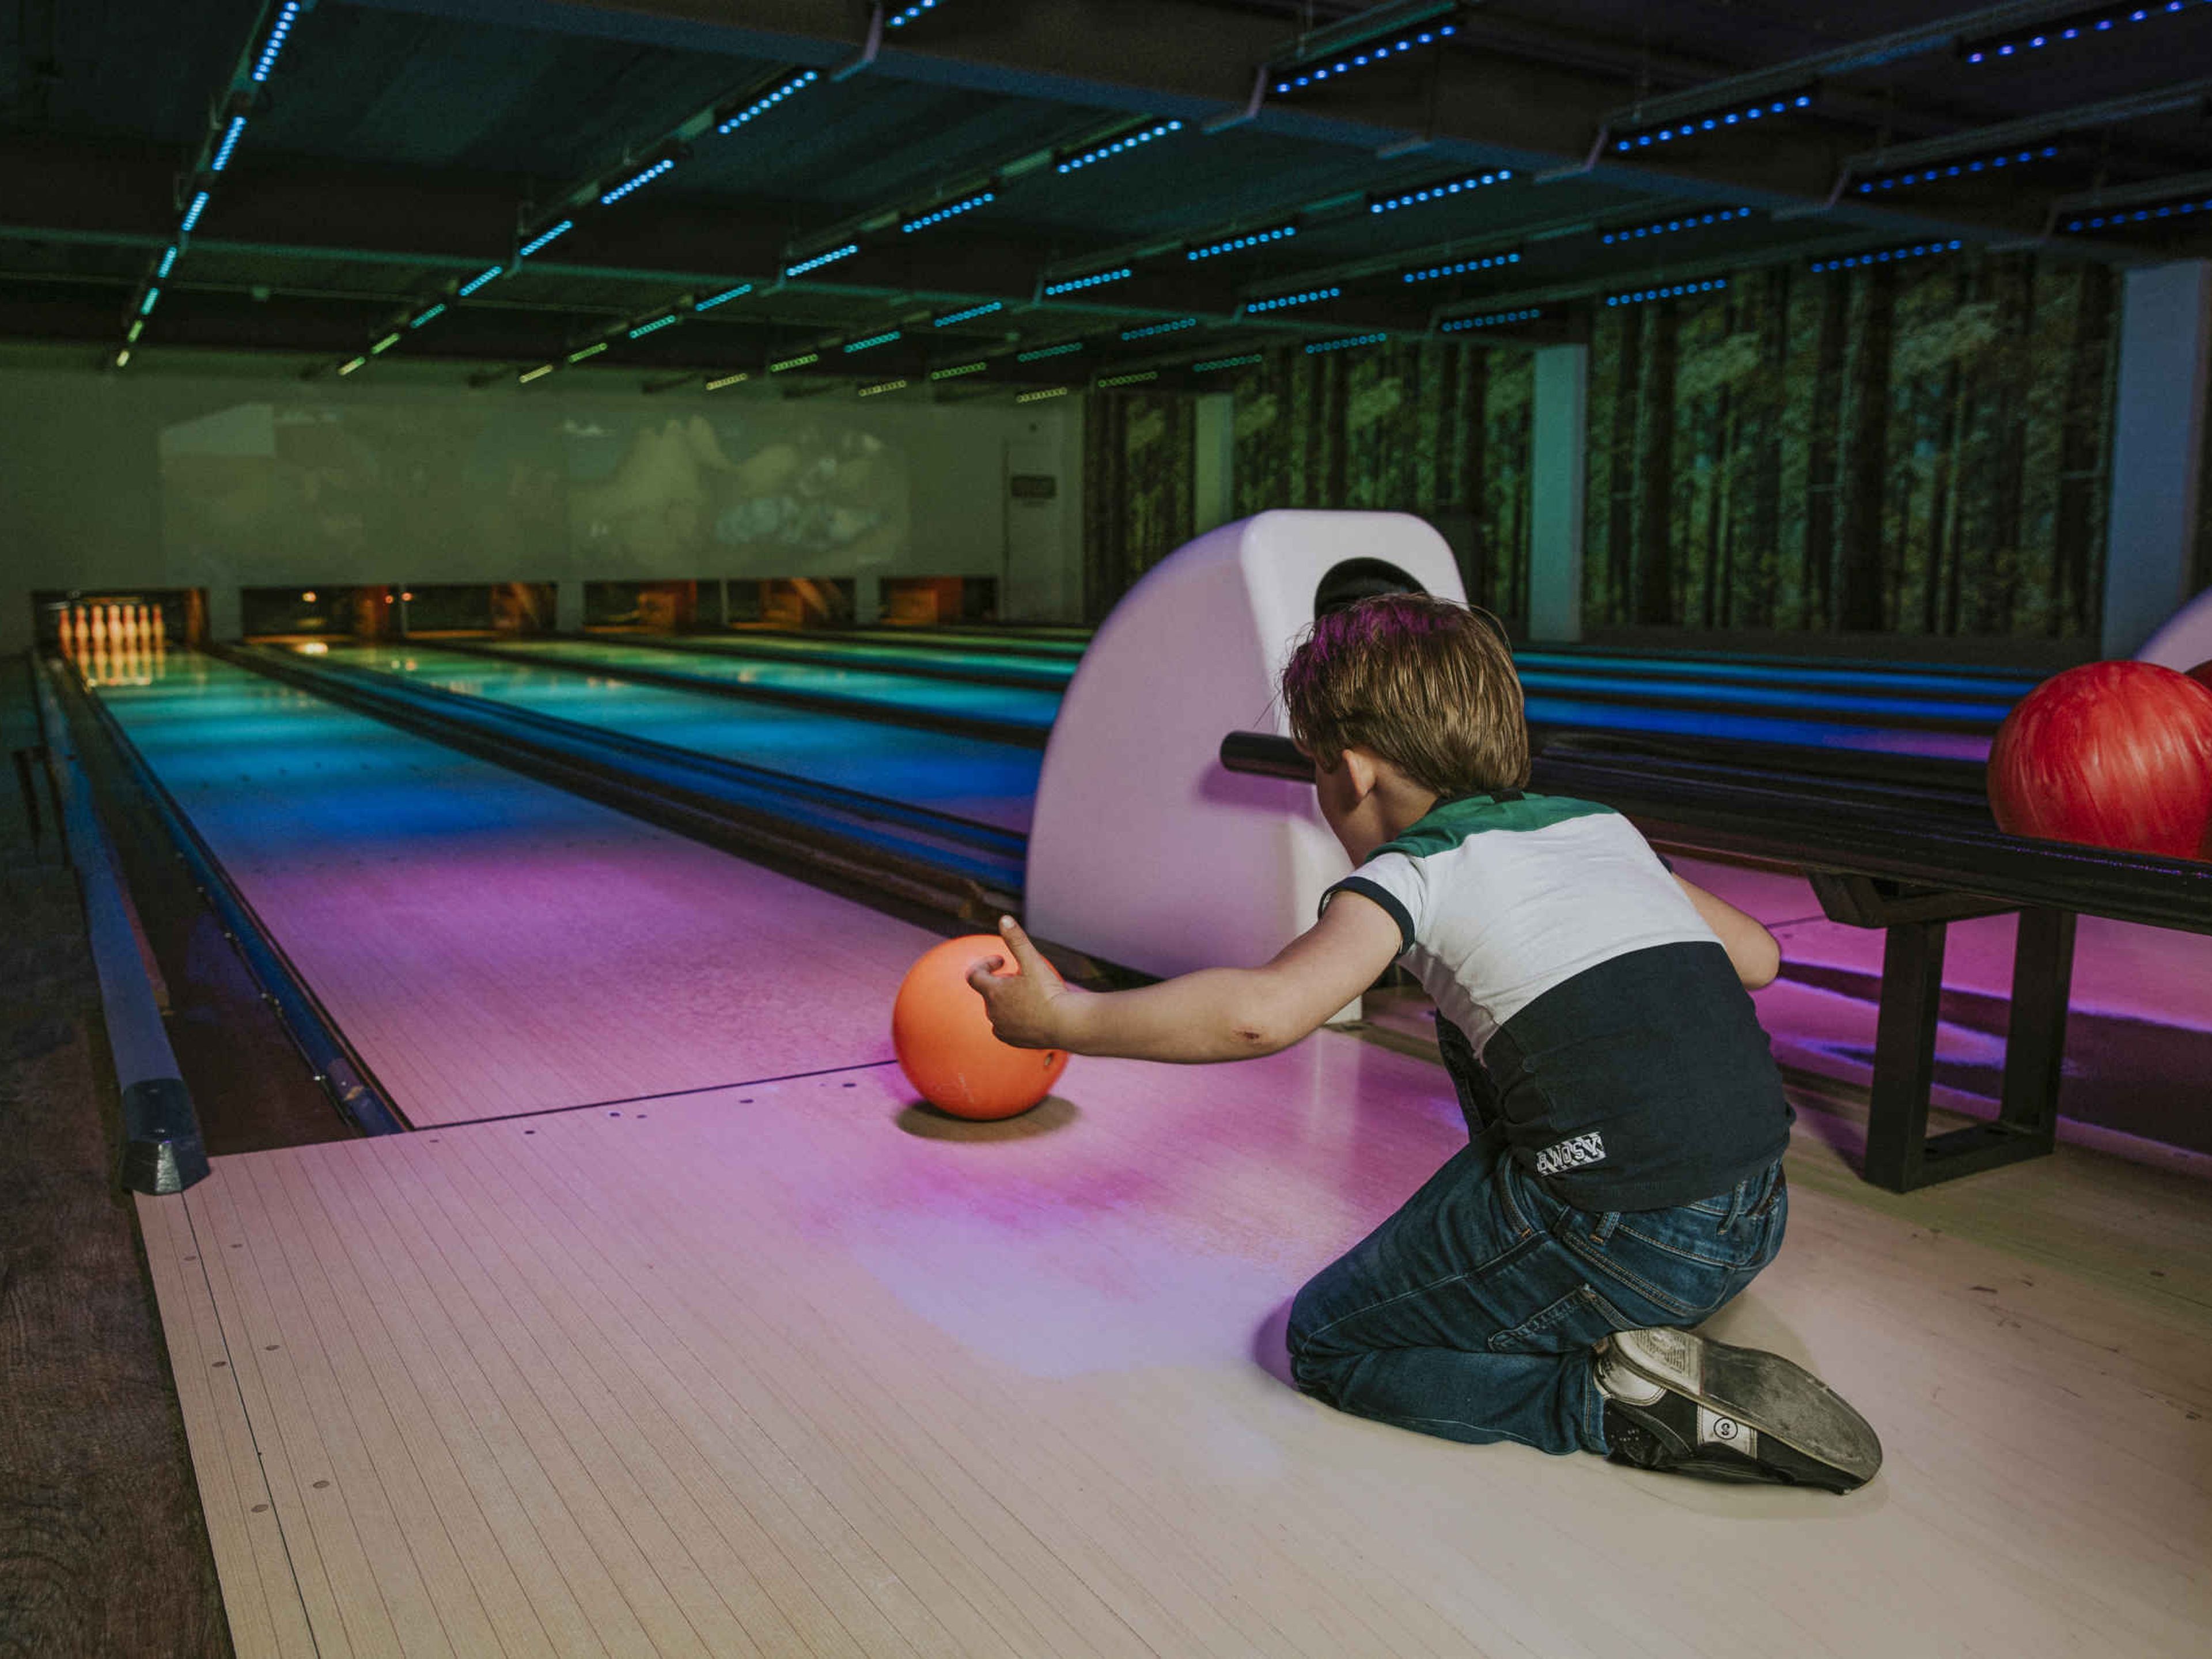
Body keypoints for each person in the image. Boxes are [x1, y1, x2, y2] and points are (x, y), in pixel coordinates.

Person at [969, 593, 1881, 1492]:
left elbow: (1263, 1011)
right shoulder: (1602, 828)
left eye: (1317, 768)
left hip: (1630, 1236)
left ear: (1354, 771)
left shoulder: (1413, 872)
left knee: (1331, 1341)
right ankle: (1622, 1310)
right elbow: (1758, 957)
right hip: (1757, 1213)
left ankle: (1608, 1404)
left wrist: (1068, 1020)